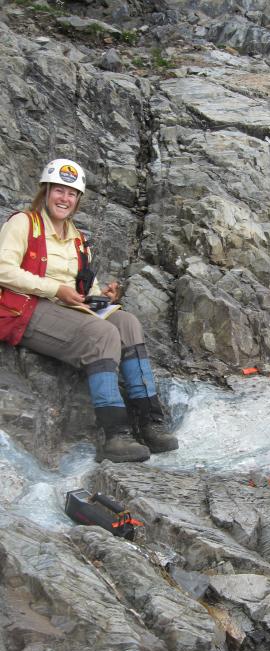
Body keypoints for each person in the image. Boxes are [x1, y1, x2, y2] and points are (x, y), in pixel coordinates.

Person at [0, 157, 178, 463]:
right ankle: (116, 436)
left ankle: (150, 421)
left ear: (78, 200)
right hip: (26, 310)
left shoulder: (78, 239)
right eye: (59, 190)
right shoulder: (23, 223)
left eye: (71, 194)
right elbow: (3, 270)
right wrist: (55, 289)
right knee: (102, 335)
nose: (64, 198)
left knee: (128, 322)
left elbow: (84, 291)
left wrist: (102, 298)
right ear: (46, 191)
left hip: (67, 310)